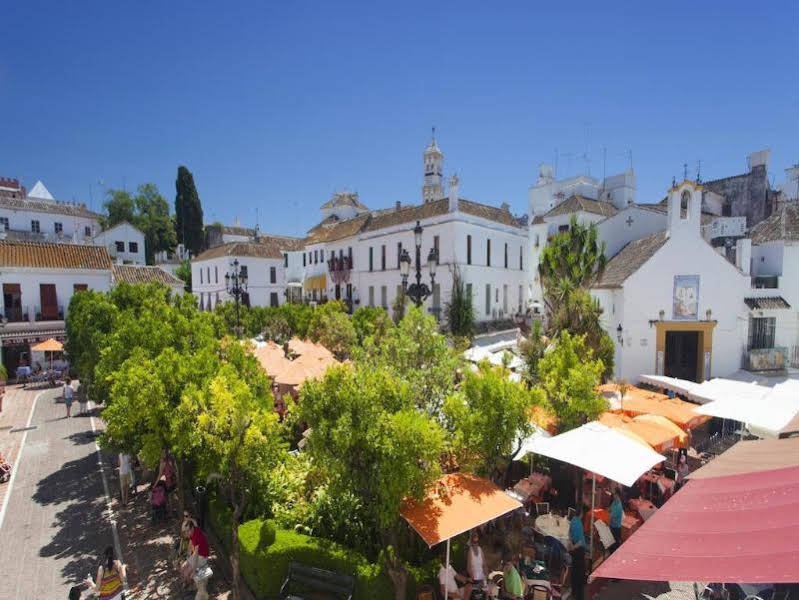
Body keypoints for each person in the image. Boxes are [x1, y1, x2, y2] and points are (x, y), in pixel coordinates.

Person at [181, 522, 210, 589]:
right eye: (185, 531)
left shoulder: (197, 536)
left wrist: (193, 571)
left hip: (202, 556)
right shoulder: (193, 531)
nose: (186, 533)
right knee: (183, 567)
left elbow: (196, 555)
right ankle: (188, 582)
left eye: (188, 531)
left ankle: (192, 586)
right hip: (196, 554)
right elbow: (191, 546)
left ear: (192, 528)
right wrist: (188, 556)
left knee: (187, 573)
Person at [568, 506, 587, 600]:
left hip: (574, 549)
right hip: (579, 550)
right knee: (580, 573)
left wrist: (571, 545)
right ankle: (579, 596)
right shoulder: (579, 523)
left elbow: (570, 534)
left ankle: (574, 590)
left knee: (574, 571)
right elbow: (580, 541)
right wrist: (574, 547)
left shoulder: (572, 520)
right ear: (581, 514)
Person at [465, 532, 486, 599]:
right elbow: (468, 567)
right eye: (474, 542)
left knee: (487, 592)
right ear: (471, 542)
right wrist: (472, 577)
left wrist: (486, 575)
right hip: (474, 578)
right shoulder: (470, 551)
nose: (475, 544)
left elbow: (484, 564)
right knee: (473, 594)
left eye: (476, 542)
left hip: (482, 577)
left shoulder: (480, 549)